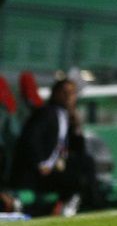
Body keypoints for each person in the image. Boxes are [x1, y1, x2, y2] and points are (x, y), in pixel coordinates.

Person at [9, 78, 96, 217]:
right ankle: (84, 206)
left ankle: (87, 205)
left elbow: (78, 149)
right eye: (65, 92)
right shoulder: (46, 113)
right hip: (37, 173)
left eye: (72, 93)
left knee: (85, 162)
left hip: (53, 171)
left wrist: (77, 126)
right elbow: (31, 140)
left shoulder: (67, 117)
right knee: (77, 175)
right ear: (55, 94)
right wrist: (41, 164)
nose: (69, 97)